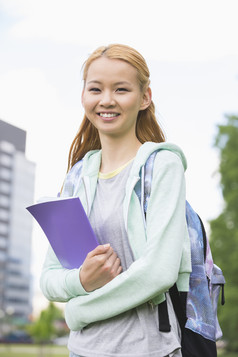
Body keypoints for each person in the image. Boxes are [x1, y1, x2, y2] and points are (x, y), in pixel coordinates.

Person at [40, 44, 191, 357]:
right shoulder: (76, 177)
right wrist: (81, 279)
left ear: (144, 97)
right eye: (96, 89)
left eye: (121, 89)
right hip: (81, 350)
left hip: (149, 349)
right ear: (84, 95)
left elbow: (159, 273)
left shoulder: (163, 165)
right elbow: (48, 278)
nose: (106, 100)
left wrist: (78, 312)